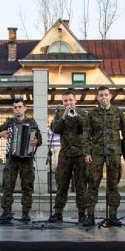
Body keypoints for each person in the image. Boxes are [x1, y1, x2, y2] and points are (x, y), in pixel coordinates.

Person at [82, 86, 125, 227]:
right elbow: (86, 134)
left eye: (106, 94)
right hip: (96, 153)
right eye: (100, 95)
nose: (103, 97)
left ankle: (113, 216)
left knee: (113, 185)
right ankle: (90, 216)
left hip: (114, 152)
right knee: (92, 184)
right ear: (97, 98)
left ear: (110, 96)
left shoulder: (118, 112)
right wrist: (87, 152)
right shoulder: (91, 114)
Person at [0, 97, 42, 223]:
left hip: (27, 160)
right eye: (15, 107)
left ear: (25, 108)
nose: (17, 109)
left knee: (27, 186)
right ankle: (6, 212)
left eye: (20, 107)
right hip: (12, 159)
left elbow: (39, 140)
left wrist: (35, 141)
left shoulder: (32, 122)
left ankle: (25, 213)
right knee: (7, 186)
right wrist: (1, 134)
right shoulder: (10, 122)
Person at [48, 90, 88, 223]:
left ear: (75, 100)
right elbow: (55, 130)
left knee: (81, 185)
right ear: (62, 102)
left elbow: (86, 128)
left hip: (80, 154)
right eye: (65, 101)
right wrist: (64, 116)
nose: (68, 103)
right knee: (62, 185)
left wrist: (75, 115)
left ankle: (82, 213)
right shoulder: (59, 114)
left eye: (70, 100)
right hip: (65, 154)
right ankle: (58, 212)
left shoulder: (83, 113)